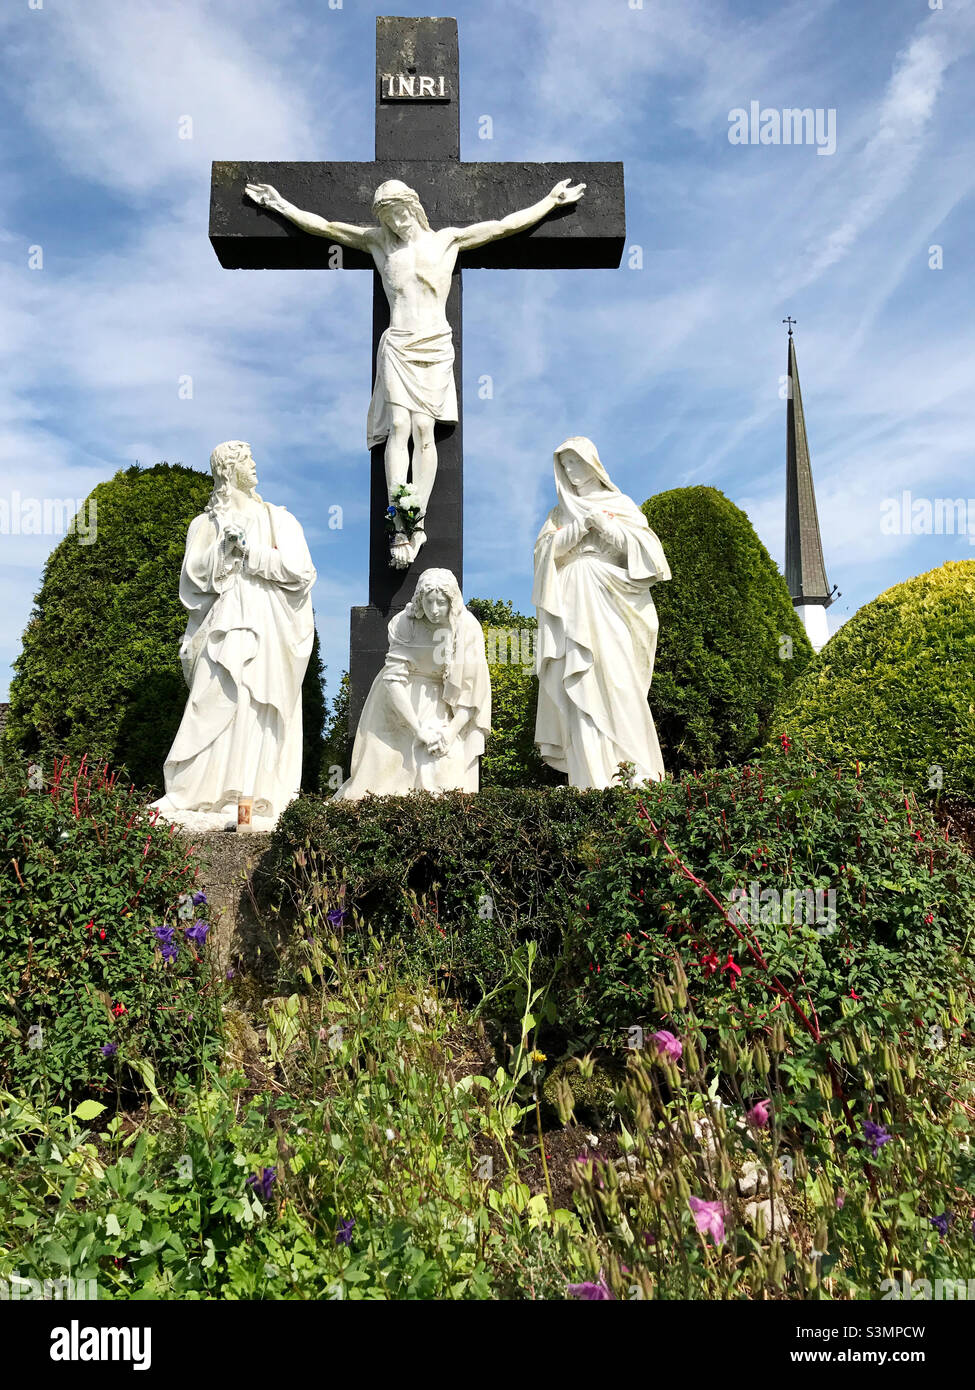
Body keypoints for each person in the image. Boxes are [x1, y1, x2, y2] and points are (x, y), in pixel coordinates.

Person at [244, 175, 585, 567]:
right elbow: (326, 227)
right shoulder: (378, 243)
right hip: (398, 342)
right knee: (399, 428)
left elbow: (504, 226)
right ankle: (398, 523)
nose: (396, 223)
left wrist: (550, 201)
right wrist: (280, 204)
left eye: (400, 214)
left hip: (435, 342)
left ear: (414, 207)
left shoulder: (447, 241)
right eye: (388, 218)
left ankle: (416, 519)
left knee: (425, 429)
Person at [152, 441, 316, 830]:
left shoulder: (279, 519)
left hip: (268, 622)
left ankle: (250, 793)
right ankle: (193, 792)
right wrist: (223, 551)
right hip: (224, 619)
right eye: (246, 459)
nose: (255, 464)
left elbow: (301, 571)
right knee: (214, 693)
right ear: (228, 471)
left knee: (255, 701)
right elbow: (192, 580)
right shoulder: (204, 524)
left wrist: (251, 554)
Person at [533, 436, 671, 788]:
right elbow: (544, 555)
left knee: (618, 678)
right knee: (580, 684)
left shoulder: (619, 503)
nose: (570, 471)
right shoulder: (559, 513)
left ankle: (636, 771)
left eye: (575, 463)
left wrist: (607, 526)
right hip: (572, 601)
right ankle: (590, 779)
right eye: (564, 466)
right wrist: (579, 529)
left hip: (611, 600)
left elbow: (649, 555)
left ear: (591, 462)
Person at [334, 568, 490, 799]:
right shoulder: (404, 624)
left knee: (444, 766)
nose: (434, 610)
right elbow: (394, 679)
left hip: (442, 701)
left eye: (441, 603)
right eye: (429, 602)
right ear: (420, 600)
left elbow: (472, 692)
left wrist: (450, 732)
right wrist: (417, 729)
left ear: (452, 601)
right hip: (398, 700)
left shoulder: (467, 628)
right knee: (383, 780)